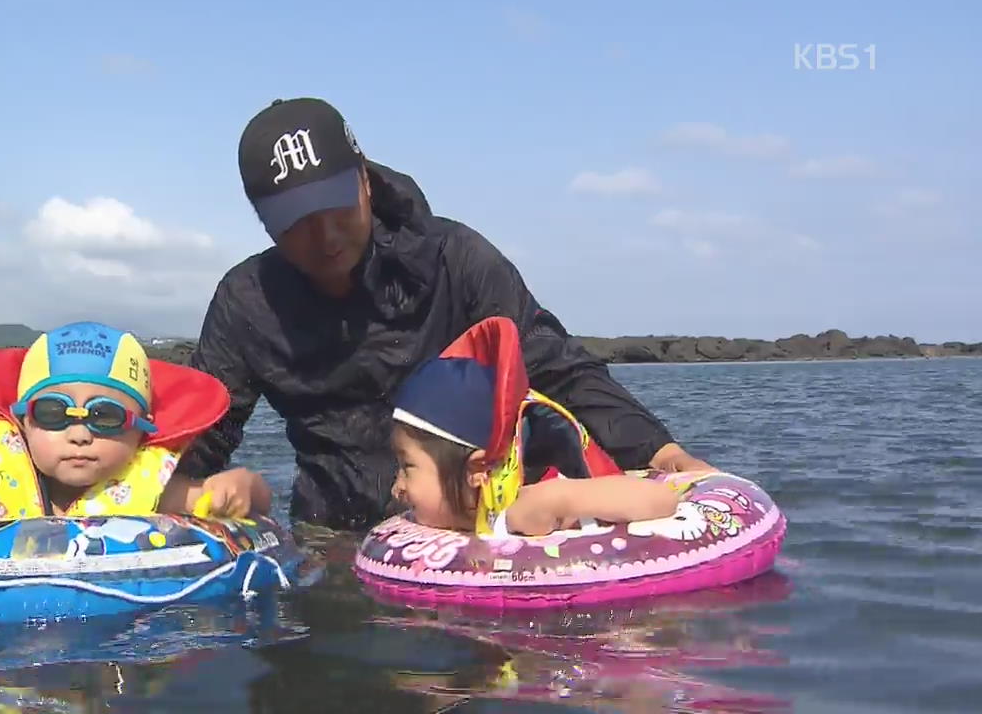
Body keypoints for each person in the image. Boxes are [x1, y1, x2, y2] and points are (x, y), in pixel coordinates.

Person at [175, 96, 712, 531]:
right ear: (263, 220)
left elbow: (556, 366)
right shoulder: (247, 300)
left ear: (364, 179)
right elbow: (202, 428)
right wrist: (169, 493)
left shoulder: (455, 259)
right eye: (297, 220)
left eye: (336, 204)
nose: (326, 235)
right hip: (331, 537)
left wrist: (660, 449)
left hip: (470, 530)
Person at [0, 321, 270, 523]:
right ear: (23, 424)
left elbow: (239, 499)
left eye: (105, 416)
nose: (79, 433)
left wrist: (244, 487)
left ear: (142, 428)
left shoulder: (155, 491)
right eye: (53, 413)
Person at [389, 352, 680, 537]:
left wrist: (558, 500)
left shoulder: (530, 502)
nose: (396, 488)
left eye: (407, 467)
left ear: (477, 470)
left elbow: (661, 499)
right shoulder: (461, 528)